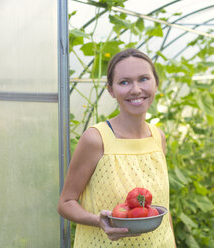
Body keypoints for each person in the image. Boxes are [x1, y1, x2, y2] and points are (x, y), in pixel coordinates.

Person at [58, 48, 176, 247]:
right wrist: (99, 221)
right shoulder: (96, 139)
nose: (136, 89)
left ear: (156, 83)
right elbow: (65, 203)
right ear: (111, 90)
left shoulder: (158, 138)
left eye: (144, 79)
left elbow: (165, 210)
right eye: (124, 82)